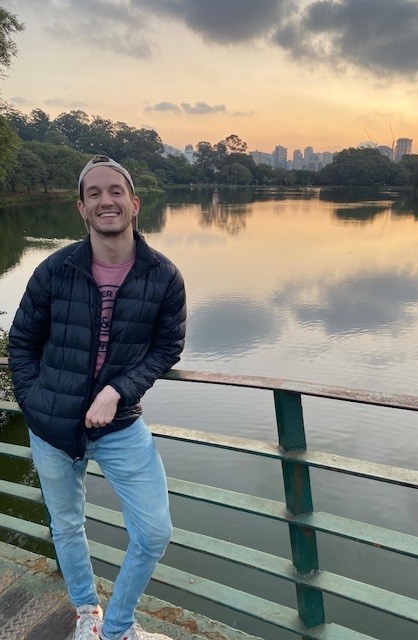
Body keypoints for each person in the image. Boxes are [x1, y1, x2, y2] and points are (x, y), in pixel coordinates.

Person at [8, 155, 186, 640]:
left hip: (120, 423)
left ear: (134, 203)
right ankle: (88, 613)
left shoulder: (163, 276)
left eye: (115, 191)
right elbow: (21, 342)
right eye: (94, 193)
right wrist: (33, 399)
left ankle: (118, 629)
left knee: (153, 532)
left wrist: (118, 389)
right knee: (66, 526)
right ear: (81, 209)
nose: (105, 200)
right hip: (51, 425)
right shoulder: (55, 270)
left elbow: (168, 346)